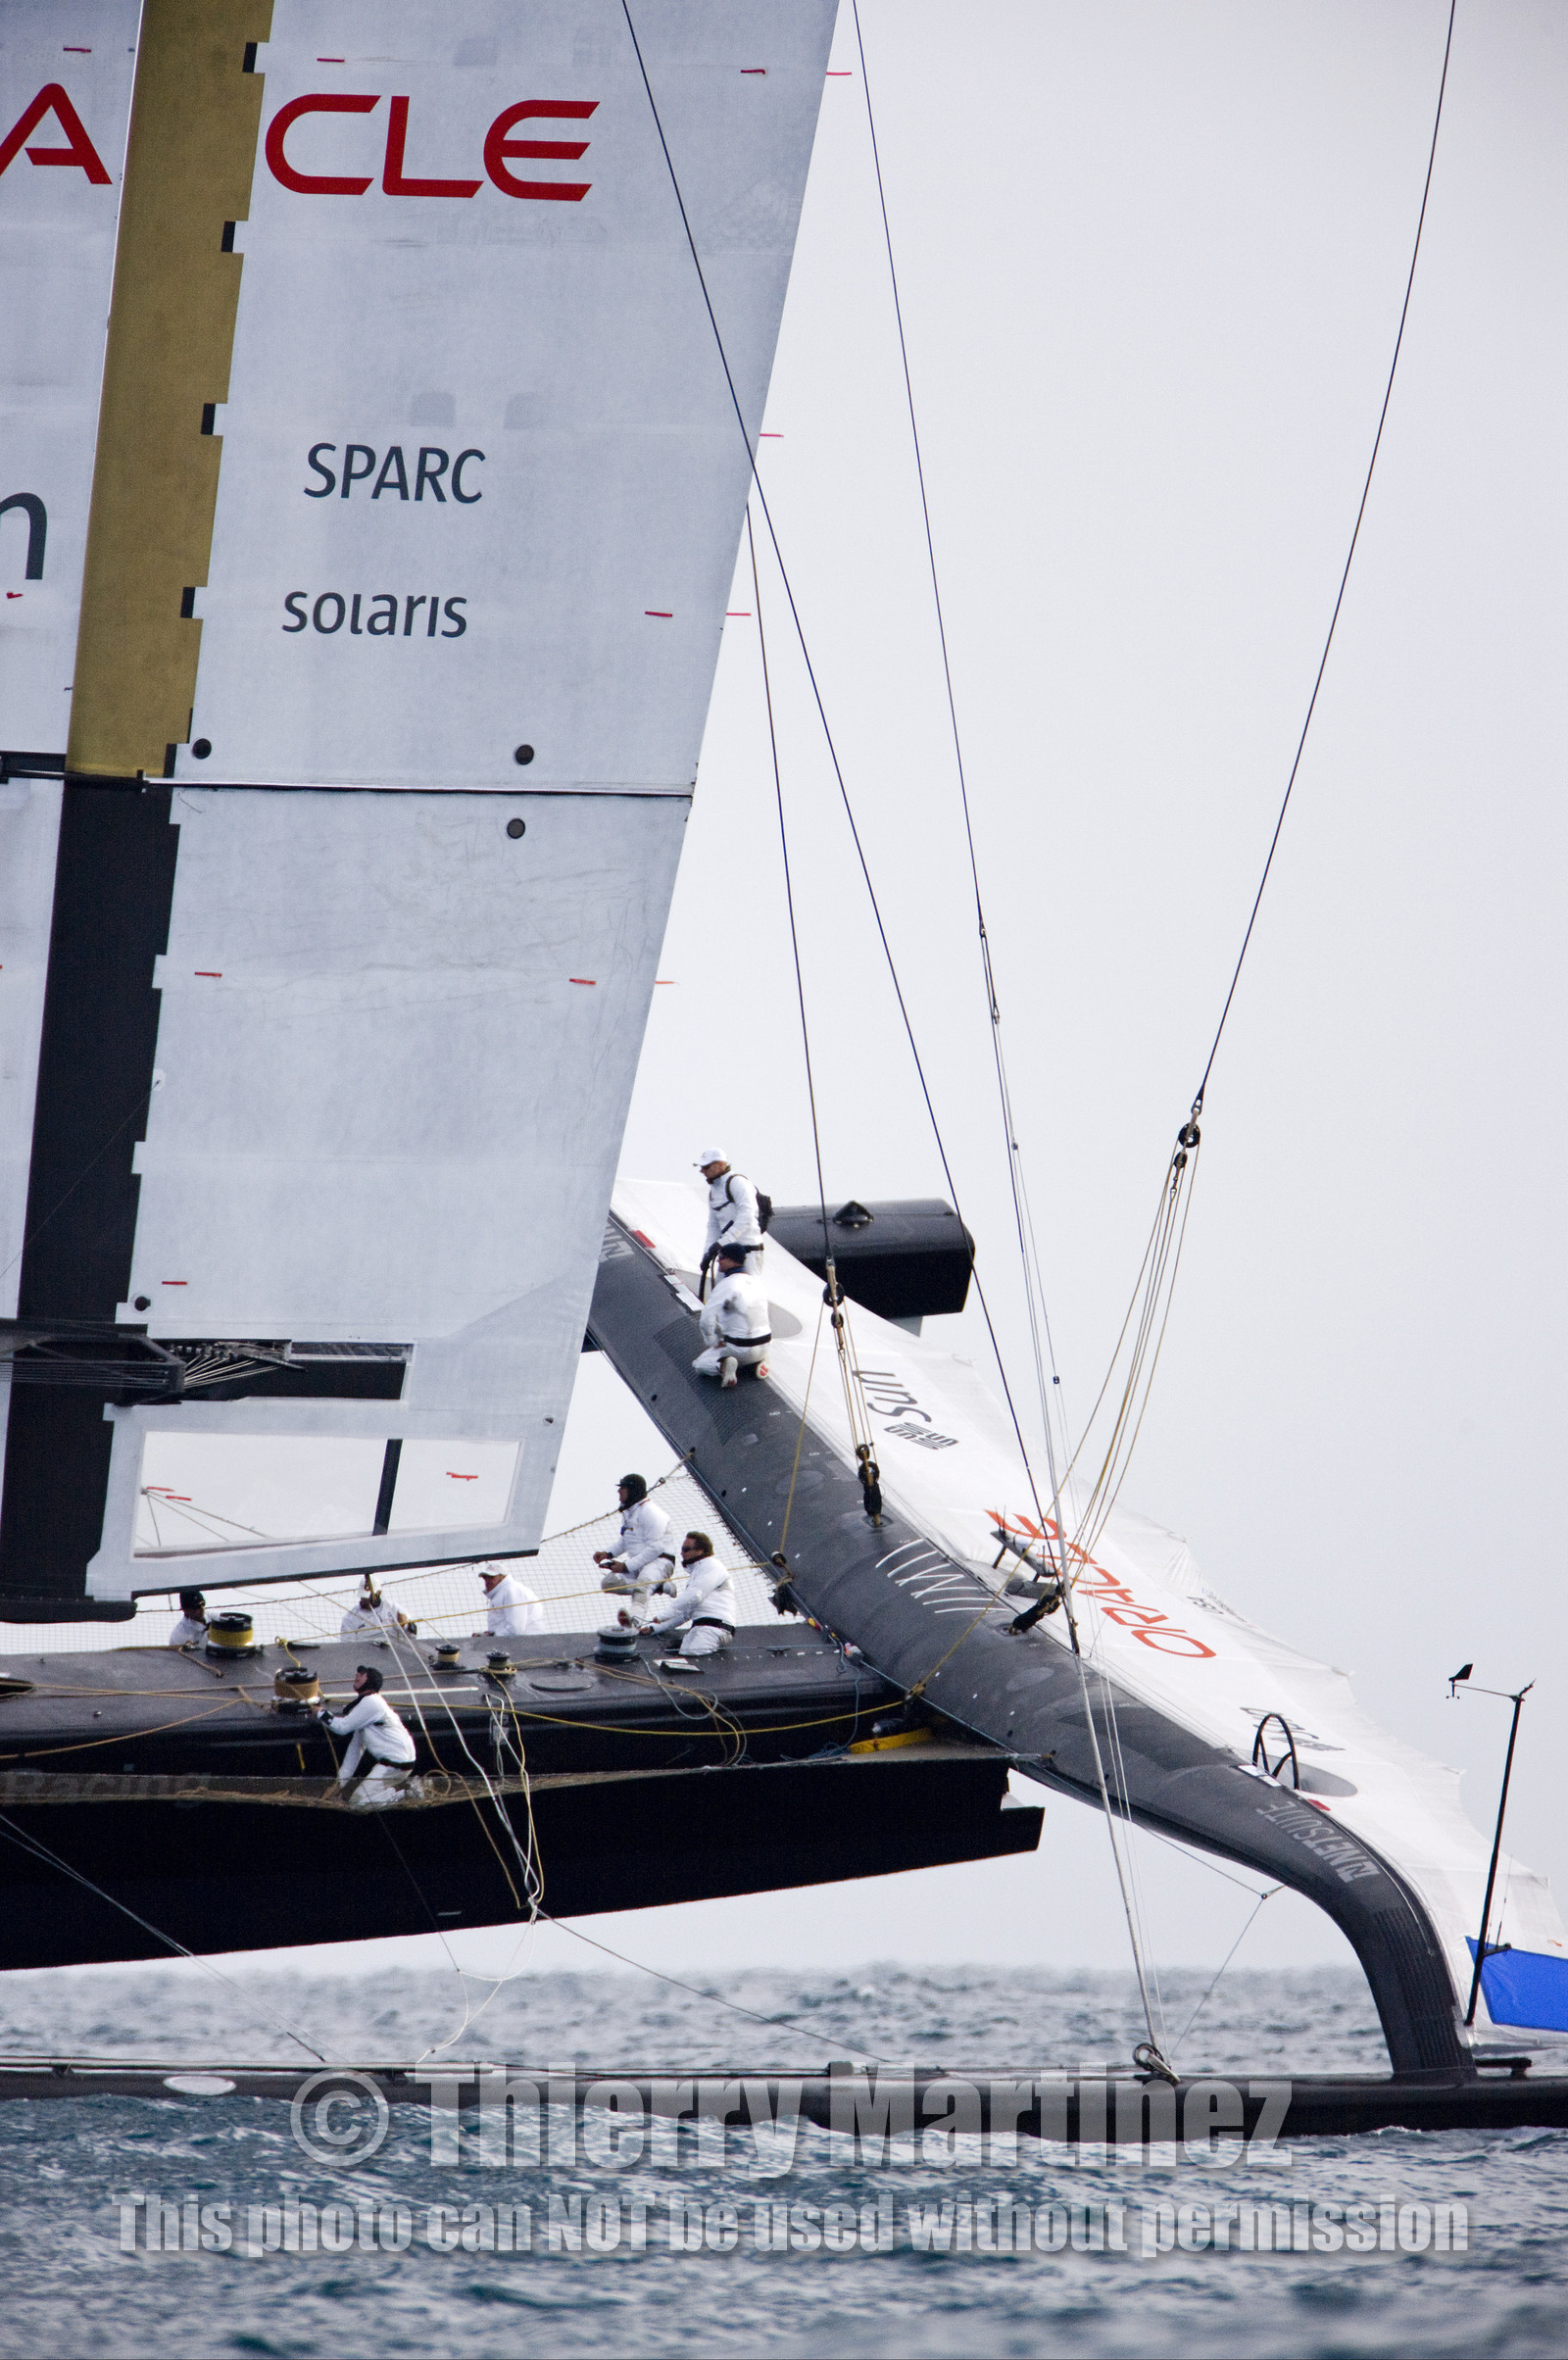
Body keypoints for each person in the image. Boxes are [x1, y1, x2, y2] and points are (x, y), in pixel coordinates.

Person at [316, 1664, 417, 1807]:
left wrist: (320, 1712)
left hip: (395, 1764)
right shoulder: (364, 1710)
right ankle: (401, 1792)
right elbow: (355, 1751)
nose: (357, 1674)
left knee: (359, 1802)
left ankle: (405, 1795)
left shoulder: (372, 1702)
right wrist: (339, 1784)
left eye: (362, 1673)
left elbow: (342, 1727)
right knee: (360, 1800)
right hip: (395, 1764)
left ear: (370, 1682)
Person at [631, 1531, 738, 1662]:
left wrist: (662, 1615)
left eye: (686, 1549)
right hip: (701, 1628)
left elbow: (695, 1595)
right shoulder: (698, 1572)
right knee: (684, 1657)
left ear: (701, 1551)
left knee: (691, 1661)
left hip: (713, 1629)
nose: (682, 1553)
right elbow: (685, 1614)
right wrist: (654, 1628)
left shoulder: (712, 1565)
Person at [593, 1474, 675, 1613]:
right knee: (608, 1583)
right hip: (638, 1562)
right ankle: (660, 1586)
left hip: (659, 1561)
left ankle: (634, 1621)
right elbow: (626, 1542)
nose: (619, 1492)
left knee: (642, 1587)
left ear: (633, 1490)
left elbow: (656, 1548)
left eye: (623, 1488)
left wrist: (626, 1566)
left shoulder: (651, 1512)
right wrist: (607, 1553)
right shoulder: (629, 1513)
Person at [693, 1245, 771, 1386]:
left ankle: (724, 1367)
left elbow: (706, 1319)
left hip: (741, 1349)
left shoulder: (727, 1285)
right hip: (765, 1344)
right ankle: (757, 1363)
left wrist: (713, 1341)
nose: (718, 1261)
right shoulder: (756, 1282)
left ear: (732, 1261)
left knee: (699, 1364)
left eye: (722, 1257)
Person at [697, 1150, 763, 1283]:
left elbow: (747, 1214)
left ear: (721, 1165)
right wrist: (707, 1253)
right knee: (722, 1291)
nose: (702, 1171)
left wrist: (724, 1240)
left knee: (747, 1291)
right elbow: (713, 1225)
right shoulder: (714, 1191)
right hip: (727, 1253)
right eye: (701, 1167)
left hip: (748, 1252)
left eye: (706, 1167)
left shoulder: (737, 1182)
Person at [474, 1561, 545, 1636]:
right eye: (485, 1577)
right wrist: (488, 1635)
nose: (487, 1581)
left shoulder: (512, 1591)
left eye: (492, 1577)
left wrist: (493, 1638)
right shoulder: (502, 1592)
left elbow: (515, 1629)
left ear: (501, 1577)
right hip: (518, 1641)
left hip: (528, 1641)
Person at [339, 1576, 412, 1637]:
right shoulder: (350, 1617)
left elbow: (412, 1636)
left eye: (367, 1598)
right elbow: (347, 1643)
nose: (364, 1601)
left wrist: (406, 1626)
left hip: (392, 1649)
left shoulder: (394, 1609)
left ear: (379, 1593)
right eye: (363, 1598)